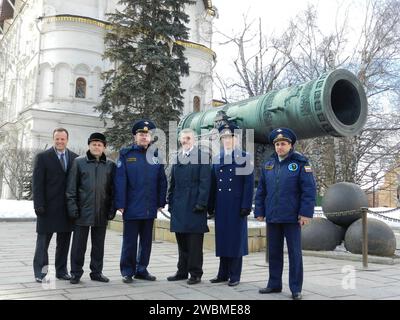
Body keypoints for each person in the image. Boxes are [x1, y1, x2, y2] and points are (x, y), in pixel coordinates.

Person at [255, 128, 316, 300]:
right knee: (273, 252)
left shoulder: (301, 163)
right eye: (277, 144)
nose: (280, 147)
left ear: (290, 145)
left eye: (283, 144)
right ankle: (274, 284)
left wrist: (305, 213)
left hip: (292, 217)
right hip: (273, 216)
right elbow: (261, 191)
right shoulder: (268, 164)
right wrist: (259, 211)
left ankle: (296, 288)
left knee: (294, 253)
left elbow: (309, 191)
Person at [115, 120, 167, 284]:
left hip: (149, 206)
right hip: (131, 206)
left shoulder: (156, 156)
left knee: (146, 242)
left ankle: (142, 269)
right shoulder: (126, 154)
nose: (144, 137)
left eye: (147, 134)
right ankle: (127, 271)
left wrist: (160, 202)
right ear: (135, 136)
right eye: (141, 134)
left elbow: (162, 180)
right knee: (129, 242)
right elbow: (120, 180)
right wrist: (121, 203)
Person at [66, 133, 116, 284]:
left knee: (98, 245)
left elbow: (113, 190)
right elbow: (71, 188)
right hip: (82, 212)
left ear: (104, 147)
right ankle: (75, 272)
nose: (96, 147)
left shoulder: (110, 165)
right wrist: (73, 208)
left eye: (99, 144)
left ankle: (96, 272)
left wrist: (111, 209)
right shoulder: (79, 162)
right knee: (78, 246)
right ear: (89, 145)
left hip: (101, 211)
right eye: (94, 144)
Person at [208, 123, 254, 287]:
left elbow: (248, 184)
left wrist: (246, 205)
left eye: (230, 137)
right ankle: (222, 273)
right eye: (224, 138)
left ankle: (235, 275)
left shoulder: (245, 157)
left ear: (236, 139)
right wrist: (210, 205)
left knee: (235, 239)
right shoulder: (217, 158)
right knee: (223, 238)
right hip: (221, 203)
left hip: (236, 204)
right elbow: (213, 184)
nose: (227, 140)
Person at [32, 128, 78, 283]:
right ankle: (41, 272)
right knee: (43, 243)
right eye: (57, 139)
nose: (59, 142)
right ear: (53, 139)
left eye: (62, 139)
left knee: (64, 243)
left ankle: (61, 271)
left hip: (66, 209)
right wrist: (38, 204)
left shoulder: (74, 158)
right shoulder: (43, 157)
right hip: (47, 208)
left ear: (67, 140)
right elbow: (37, 184)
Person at [167, 128, 211, 285]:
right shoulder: (178, 157)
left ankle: (195, 273)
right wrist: (170, 202)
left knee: (194, 244)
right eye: (183, 139)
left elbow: (205, 183)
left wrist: (201, 203)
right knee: (182, 242)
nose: (185, 141)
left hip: (194, 207)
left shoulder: (203, 157)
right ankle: (182, 271)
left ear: (194, 140)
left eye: (188, 138)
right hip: (179, 207)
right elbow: (172, 183)